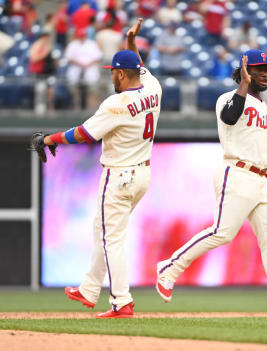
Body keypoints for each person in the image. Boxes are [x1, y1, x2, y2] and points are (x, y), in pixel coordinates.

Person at [155, 49, 267, 317]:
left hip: (259, 179)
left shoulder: (265, 108)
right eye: (259, 68)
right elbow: (230, 117)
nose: (265, 72)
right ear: (245, 72)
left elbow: (260, 156)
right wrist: (243, 84)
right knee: (222, 232)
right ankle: (169, 268)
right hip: (236, 173)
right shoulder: (227, 98)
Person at [46, 18, 162, 318]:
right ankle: (89, 288)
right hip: (142, 174)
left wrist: (50, 138)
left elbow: (84, 133)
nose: (113, 77)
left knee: (112, 239)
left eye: (114, 73)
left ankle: (121, 301)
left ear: (122, 74)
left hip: (118, 175)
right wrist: (132, 42)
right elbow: (140, 66)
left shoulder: (116, 104)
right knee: (103, 231)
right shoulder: (154, 87)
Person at [65, 27, 103, 109]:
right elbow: (68, 58)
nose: (82, 38)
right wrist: (79, 63)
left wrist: (88, 64)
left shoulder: (91, 44)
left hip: (90, 70)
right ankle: (76, 108)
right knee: (75, 92)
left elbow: (98, 57)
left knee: (92, 91)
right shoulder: (73, 44)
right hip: (76, 70)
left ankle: (91, 109)